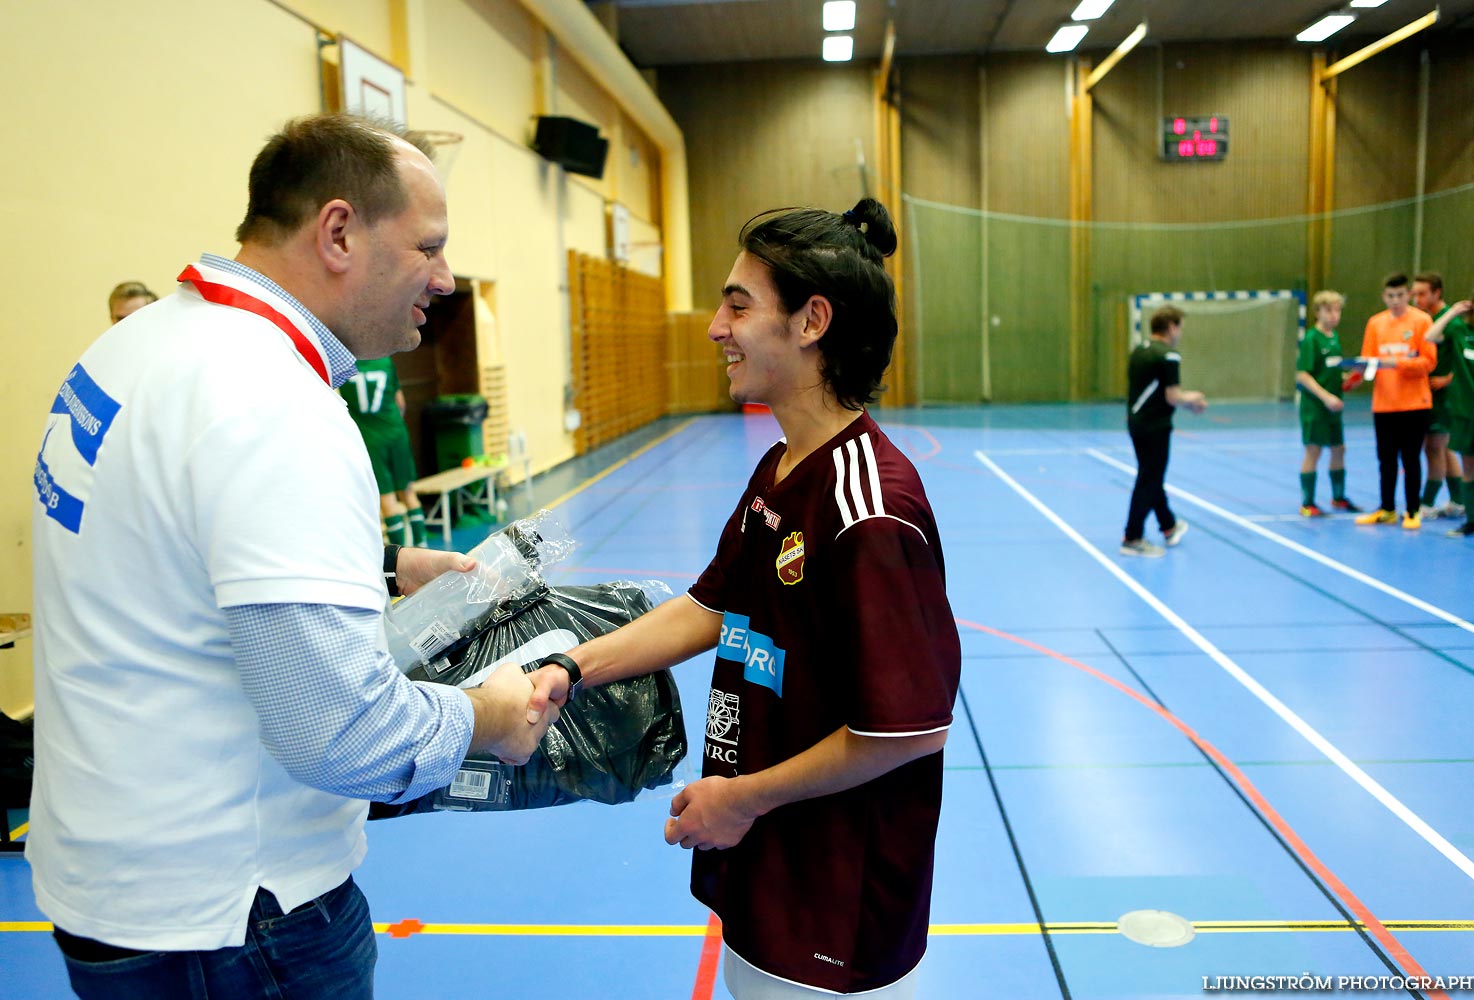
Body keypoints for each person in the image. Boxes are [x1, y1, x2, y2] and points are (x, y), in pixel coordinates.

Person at [29, 113, 565, 1000]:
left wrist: (383, 562)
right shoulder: (271, 403)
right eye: (429, 246)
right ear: (340, 231)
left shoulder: (140, 345)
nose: (447, 277)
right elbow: (344, 736)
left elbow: (170, 542)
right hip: (233, 918)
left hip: (116, 881)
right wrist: (486, 719)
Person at [527, 199, 961, 997]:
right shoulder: (782, 469)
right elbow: (709, 606)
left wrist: (739, 801)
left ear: (811, 322)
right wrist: (568, 668)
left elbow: (906, 731)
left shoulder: (871, 510)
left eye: (737, 304)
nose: (715, 327)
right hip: (766, 862)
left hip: (836, 900)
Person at [1120, 307, 1207, 557]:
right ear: (1170, 327)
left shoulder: (1139, 350)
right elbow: (1172, 396)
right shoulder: (1169, 355)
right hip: (1155, 425)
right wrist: (1194, 400)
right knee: (1149, 479)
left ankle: (1168, 527)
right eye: (1179, 327)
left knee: (1151, 476)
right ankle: (1132, 537)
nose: (1180, 333)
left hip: (1136, 422)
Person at [1354, 273, 1436, 529]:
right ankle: (1387, 508)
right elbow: (1368, 360)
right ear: (1384, 297)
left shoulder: (1423, 321)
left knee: (1411, 458)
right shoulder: (1375, 323)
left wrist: (1396, 363)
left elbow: (1428, 362)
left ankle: (1413, 510)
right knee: (1386, 459)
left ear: (1408, 295)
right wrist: (1355, 376)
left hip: (1415, 403)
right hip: (1384, 404)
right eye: (1390, 296)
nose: (1395, 300)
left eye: (1400, 295)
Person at [1424, 283, 1474, 543]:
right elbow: (1430, 336)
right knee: (1470, 469)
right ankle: (1472, 521)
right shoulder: (1462, 332)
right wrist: (1453, 312)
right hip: (1467, 415)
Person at [339, 356, 429, 546]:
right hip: (396, 432)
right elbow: (401, 403)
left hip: (370, 438)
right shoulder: (385, 361)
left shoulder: (344, 365)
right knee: (409, 493)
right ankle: (422, 545)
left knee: (387, 500)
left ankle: (401, 554)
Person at [1295, 290, 1362, 516]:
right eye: (1329, 310)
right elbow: (1303, 375)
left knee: (1339, 449)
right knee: (1314, 450)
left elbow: (1328, 372)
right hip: (1316, 407)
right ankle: (1308, 503)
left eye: (1337, 310)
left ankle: (1339, 497)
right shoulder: (1312, 339)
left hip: (1333, 406)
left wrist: (1348, 381)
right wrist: (1325, 397)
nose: (1334, 315)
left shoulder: (1334, 338)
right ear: (1317, 312)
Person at [1412, 271, 1464, 518]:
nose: (1416, 299)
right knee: (1444, 449)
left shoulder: (1451, 322)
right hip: (1427, 395)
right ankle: (1458, 500)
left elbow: (1466, 356)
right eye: (1414, 294)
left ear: (1437, 293)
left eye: (1422, 293)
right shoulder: (1426, 319)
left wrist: (1449, 378)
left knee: (1434, 448)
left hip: (1444, 398)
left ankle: (1427, 504)